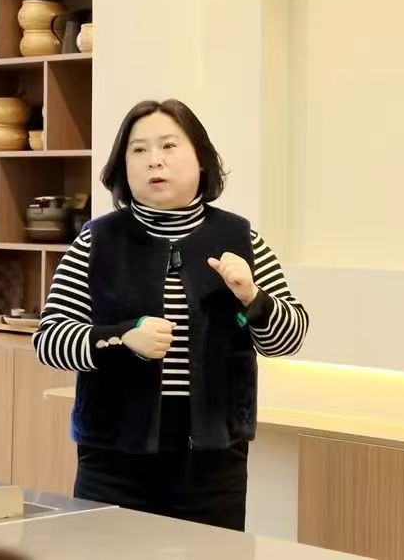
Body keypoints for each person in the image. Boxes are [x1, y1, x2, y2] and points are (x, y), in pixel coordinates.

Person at [32, 99, 309, 531]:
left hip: (213, 460)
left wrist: (252, 297)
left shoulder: (241, 238)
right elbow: (49, 340)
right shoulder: (97, 240)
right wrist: (122, 338)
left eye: (169, 146)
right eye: (139, 150)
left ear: (201, 159)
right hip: (113, 457)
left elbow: (287, 339)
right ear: (123, 166)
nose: (154, 160)